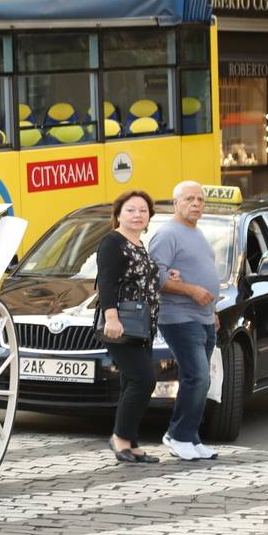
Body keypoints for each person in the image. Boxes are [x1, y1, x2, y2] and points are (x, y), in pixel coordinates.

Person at [150, 181, 221, 461]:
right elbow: (156, 276)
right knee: (197, 376)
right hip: (179, 316)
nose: (196, 204)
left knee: (200, 379)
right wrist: (191, 290)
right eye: (189, 199)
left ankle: (190, 436)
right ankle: (177, 435)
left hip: (204, 316)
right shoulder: (168, 233)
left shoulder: (197, 232)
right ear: (175, 202)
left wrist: (212, 308)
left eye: (200, 200)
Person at [99, 189, 163, 464]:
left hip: (142, 326)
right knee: (143, 379)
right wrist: (111, 318)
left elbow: (140, 280)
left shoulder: (138, 244)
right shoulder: (113, 242)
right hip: (122, 325)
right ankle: (120, 438)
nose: (138, 215)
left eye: (143, 211)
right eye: (131, 210)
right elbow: (107, 283)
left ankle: (131, 442)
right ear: (118, 215)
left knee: (131, 382)